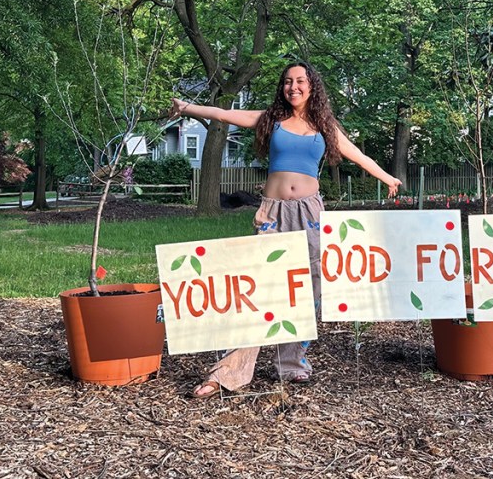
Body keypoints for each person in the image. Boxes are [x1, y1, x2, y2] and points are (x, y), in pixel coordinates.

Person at [169, 61, 402, 398]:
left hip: (309, 213)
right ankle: (226, 374)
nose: (294, 87)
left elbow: (356, 154)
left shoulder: (324, 125)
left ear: (312, 86)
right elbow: (223, 115)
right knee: (258, 289)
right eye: (288, 82)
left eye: (301, 81)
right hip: (274, 213)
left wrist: (387, 177)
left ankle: (290, 364)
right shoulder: (271, 119)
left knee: (309, 289)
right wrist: (187, 107)